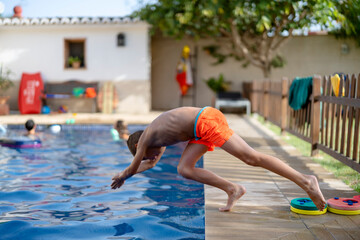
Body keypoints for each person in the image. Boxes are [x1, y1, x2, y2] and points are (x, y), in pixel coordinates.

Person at [111, 107, 326, 212]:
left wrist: (123, 175)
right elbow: (149, 164)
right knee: (184, 168)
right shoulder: (158, 137)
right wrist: (130, 172)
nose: (153, 156)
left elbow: (133, 167)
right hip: (198, 131)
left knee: (250, 157)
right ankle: (233, 189)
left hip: (205, 121)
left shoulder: (148, 137)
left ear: (139, 147)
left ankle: (306, 181)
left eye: (147, 154)